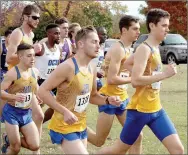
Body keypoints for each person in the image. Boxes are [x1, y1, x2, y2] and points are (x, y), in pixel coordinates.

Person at [98, 8, 184, 154]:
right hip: (140, 111)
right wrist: (163, 74)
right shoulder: (145, 49)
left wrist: (148, 74)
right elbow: (136, 81)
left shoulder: (154, 47)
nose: (167, 29)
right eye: (164, 26)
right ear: (152, 26)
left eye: (167, 26)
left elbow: (127, 64)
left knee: (178, 150)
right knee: (118, 149)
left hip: (156, 109)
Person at [37, 26, 121, 154]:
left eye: (98, 42)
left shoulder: (91, 67)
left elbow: (92, 96)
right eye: (94, 42)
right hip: (63, 126)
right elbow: (42, 91)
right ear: (80, 44)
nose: (98, 46)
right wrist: (64, 111)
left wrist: (108, 100)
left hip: (81, 126)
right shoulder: (67, 67)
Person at [87, 15, 142, 154]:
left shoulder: (129, 48)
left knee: (136, 137)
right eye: (135, 29)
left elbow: (126, 73)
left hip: (122, 99)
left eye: (139, 29)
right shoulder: (119, 49)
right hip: (109, 99)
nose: (138, 32)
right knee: (99, 141)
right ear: (124, 30)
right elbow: (111, 79)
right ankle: (75, 127)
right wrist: (135, 78)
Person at [3, 5, 44, 154]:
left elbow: (27, 57)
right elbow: (9, 58)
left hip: (27, 81)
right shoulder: (17, 33)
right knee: (11, 113)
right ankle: (10, 139)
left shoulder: (31, 35)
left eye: (38, 17)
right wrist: (32, 49)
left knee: (39, 115)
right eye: (34, 17)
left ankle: (35, 148)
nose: (37, 20)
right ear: (25, 17)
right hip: (14, 82)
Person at [1, 43, 40, 154]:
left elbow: (33, 86)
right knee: (15, 148)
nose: (33, 58)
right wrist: (14, 97)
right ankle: (11, 142)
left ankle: (8, 139)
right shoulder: (12, 73)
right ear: (20, 56)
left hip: (26, 113)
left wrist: (37, 95)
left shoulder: (34, 71)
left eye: (34, 55)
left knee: (35, 146)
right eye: (29, 56)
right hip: (12, 113)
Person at [35, 23, 61, 123]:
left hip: (53, 82)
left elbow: (57, 67)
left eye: (59, 33)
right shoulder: (41, 48)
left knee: (55, 107)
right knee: (56, 106)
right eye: (56, 33)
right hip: (41, 82)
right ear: (48, 34)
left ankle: (35, 125)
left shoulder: (59, 49)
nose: (59, 36)